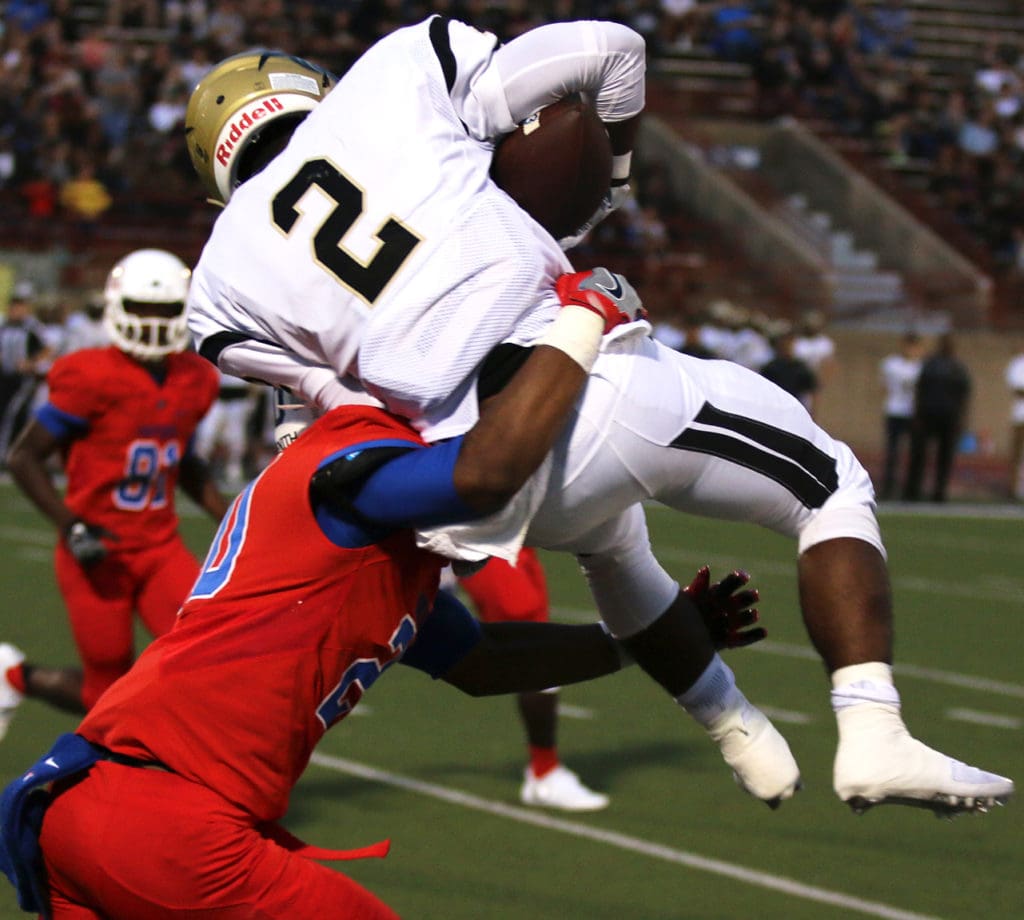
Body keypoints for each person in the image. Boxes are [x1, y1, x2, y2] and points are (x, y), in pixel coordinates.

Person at [182, 27, 1013, 814]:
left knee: (612, 542)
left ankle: (736, 727)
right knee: (831, 483)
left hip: (480, 477)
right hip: (585, 383)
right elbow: (613, 52)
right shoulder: (398, 71)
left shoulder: (218, 288)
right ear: (301, 88)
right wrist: (598, 195)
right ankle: (874, 727)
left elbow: (335, 419)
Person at [0, 278, 760, 919]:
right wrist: (583, 316)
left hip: (96, 809)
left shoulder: (363, 536)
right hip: (168, 821)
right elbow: (487, 474)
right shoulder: (346, 470)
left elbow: (481, 661)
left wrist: (646, 638)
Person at [0, 250, 229, 737]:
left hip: (159, 546)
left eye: (163, 309)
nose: (151, 320)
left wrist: (231, 518)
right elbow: (23, 457)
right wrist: (71, 524)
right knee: (105, 693)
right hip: (97, 550)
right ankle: (14, 677)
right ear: (117, 305)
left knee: (207, 654)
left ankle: (173, 766)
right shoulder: (91, 376)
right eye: (142, 308)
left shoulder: (195, 377)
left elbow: (181, 457)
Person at [450, 549, 611, 812]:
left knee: (535, 629)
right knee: (528, 631)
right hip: (480, 535)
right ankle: (544, 773)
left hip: (513, 533)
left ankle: (543, 770)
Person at [903, 333, 972, 503]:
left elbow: (919, 391)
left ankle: (919, 491)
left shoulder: (933, 366)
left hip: (934, 415)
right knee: (938, 456)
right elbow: (963, 396)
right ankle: (934, 492)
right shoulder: (956, 368)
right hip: (941, 415)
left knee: (926, 455)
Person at [0, 280, 53, 467]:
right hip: (4, 377)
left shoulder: (32, 327)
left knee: (13, 412)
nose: (16, 309)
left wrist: (31, 363)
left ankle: (6, 453)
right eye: (14, 305)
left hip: (23, 379)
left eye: (20, 305)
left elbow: (48, 348)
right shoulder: (4, 324)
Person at [879, 331, 922, 500]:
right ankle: (889, 486)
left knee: (913, 452)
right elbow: (884, 387)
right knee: (892, 451)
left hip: (912, 413)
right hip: (894, 410)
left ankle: (909, 489)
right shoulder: (891, 364)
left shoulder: (921, 366)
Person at [1004, 346, 1024, 499]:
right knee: (1016, 454)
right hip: (1020, 417)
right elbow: (1017, 389)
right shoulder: (1018, 364)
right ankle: (1013, 489)